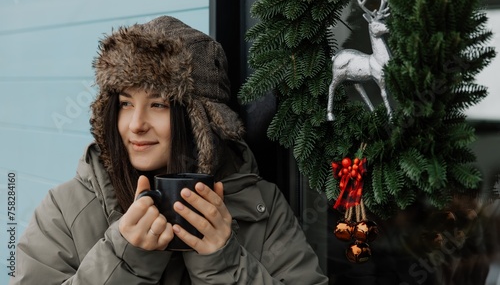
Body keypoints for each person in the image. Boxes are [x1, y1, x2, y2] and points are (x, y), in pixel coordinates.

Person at [11, 16, 329, 284]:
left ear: (203, 118)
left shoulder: (262, 206)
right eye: (125, 104)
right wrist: (124, 257)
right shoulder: (68, 208)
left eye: (158, 104)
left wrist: (225, 264)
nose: (136, 124)